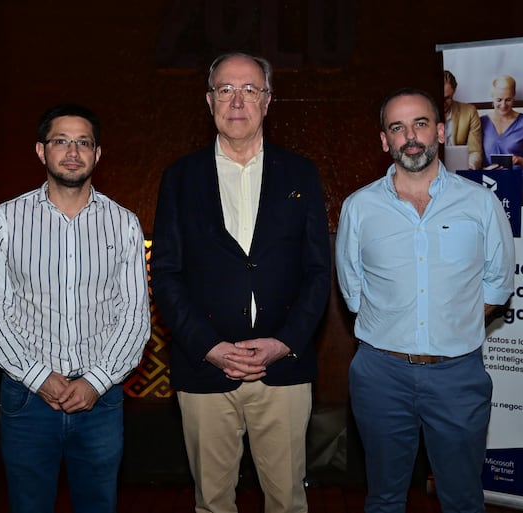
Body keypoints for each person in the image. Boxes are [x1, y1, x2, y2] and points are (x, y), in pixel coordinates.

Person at [150, 52, 331, 513]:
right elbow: (166, 274)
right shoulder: (179, 177)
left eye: (249, 89)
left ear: (268, 101)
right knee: (211, 503)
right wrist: (208, 346)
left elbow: (317, 273)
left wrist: (285, 343)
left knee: (288, 502)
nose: (237, 100)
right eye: (225, 89)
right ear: (209, 100)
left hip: (284, 370)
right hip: (205, 367)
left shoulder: (301, 174)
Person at [335, 88, 515, 513]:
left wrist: (450, 321)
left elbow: (497, 285)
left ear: (439, 130)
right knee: (383, 499)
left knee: (463, 500)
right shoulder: (358, 208)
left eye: (419, 124)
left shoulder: (481, 203)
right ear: (385, 140)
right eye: (397, 127)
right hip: (380, 376)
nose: (410, 136)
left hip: (457, 375)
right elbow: (353, 290)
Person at [0, 103, 151, 513]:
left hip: (101, 400)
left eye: (83, 142)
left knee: (98, 505)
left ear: (97, 154)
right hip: (26, 399)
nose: (72, 151)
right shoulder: (5, 219)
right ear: (41, 151)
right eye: (61, 141)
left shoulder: (123, 223)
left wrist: (95, 381)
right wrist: (40, 378)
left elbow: (134, 317)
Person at [480, 75, 523, 204]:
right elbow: (474, 158)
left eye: (508, 100)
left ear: (514, 97)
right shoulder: (482, 122)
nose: (503, 105)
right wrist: (484, 170)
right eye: (499, 100)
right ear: (492, 97)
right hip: (490, 178)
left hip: (520, 178)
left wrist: (519, 160)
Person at [444, 70, 483, 169]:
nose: (443, 102)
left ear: (454, 92)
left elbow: (475, 151)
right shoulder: (423, 114)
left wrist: (470, 166)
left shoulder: (469, 112)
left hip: (460, 172)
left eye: (447, 98)